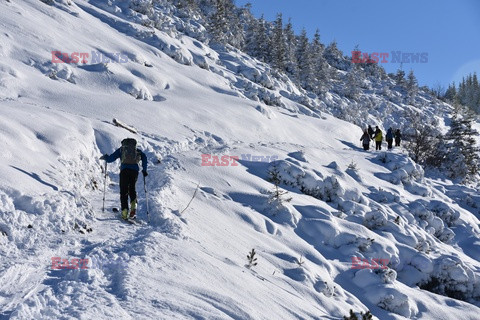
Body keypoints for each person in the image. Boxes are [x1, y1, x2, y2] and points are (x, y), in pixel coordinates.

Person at [100, 138, 148, 220]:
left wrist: (106, 158)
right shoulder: (137, 151)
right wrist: (144, 170)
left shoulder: (121, 150)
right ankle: (133, 206)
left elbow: (111, 158)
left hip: (124, 171)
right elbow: (144, 158)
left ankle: (124, 211)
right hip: (134, 171)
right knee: (132, 189)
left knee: (124, 191)